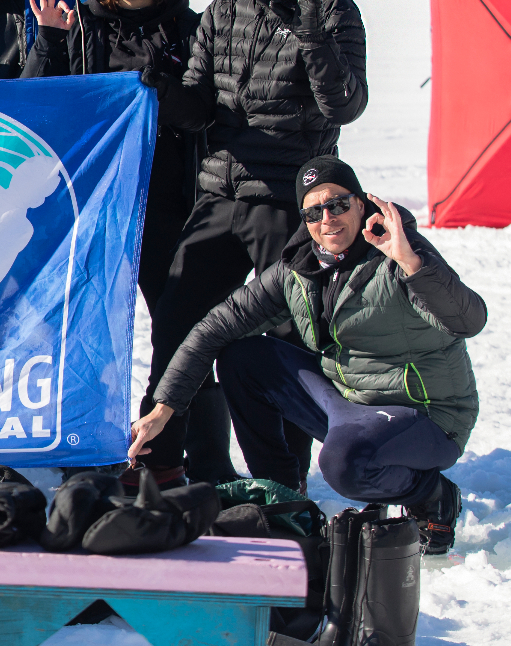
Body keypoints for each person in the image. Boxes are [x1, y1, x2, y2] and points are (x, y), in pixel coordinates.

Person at [141, 0, 369, 488]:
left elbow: (346, 105)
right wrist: (165, 85)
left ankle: (284, 476)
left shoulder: (336, 9)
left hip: (288, 200)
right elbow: (196, 111)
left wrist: (315, 36)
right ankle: (162, 465)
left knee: (285, 340)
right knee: (176, 321)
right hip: (219, 195)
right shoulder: (222, 10)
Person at [129, 156, 479, 554]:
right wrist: (164, 407)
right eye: (313, 211)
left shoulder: (399, 253)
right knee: (243, 357)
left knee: (345, 466)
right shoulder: (298, 268)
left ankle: (431, 494)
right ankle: (283, 493)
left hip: (428, 415)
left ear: (362, 204)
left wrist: (412, 263)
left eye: (338, 204)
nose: (327, 218)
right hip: (352, 404)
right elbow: (214, 328)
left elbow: (468, 320)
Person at [22, 0, 204, 346]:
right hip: (99, 203)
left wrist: (165, 86)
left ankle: (178, 416)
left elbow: (203, 115)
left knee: (183, 331)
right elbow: (34, 109)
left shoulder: (191, 27)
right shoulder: (80, 24)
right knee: (88, 333)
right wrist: (47, 42)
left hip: (171, 199)